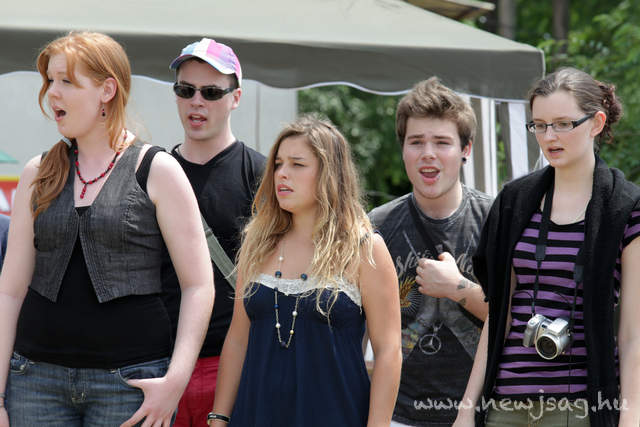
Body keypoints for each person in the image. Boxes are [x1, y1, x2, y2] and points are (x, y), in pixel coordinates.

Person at [0, 32, 214, 427]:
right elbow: (10, 290)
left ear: (107, 90)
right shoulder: (37, 172)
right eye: (50, 81)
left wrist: (176, 380)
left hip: (131, 382)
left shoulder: (158, 169)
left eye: (67, 81)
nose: (52, 93)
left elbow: (199, 285)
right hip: (34, 380)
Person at [454, 68, 640, 426]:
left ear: (596, 123)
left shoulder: (626, 207)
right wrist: (466, 411)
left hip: (581, 408)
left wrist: (630, 419)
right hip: (505, 404)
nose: (549, 136)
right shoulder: (513, 201)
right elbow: (499, 316)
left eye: (563, 124)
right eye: (539, 125)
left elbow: (633, 335)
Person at [208, 116, 402, 427]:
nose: (282, 173)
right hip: (255, 415)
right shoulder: (257, 242)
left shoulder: (365, 247)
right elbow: (238, 339)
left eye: (297, 164)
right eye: (278, 164)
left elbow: (389, 351)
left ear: (330, 174)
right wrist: (219, 418)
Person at [368, 77, 491, 426]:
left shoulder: (496, 220)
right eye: (416, 142)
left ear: (466, 149)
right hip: (397, 416)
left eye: (442, 142)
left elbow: (517, 317)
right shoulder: (376, 226)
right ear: (403, 149)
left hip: (480, 414)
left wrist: (457, 288)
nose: (428, 154)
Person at [162, 38, 266, 427]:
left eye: (210, 92)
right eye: (185, 90)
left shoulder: (263, 175)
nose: (196, 102)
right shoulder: (152, 171)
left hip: (235, 361)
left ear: (235, 98)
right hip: (160, 363)